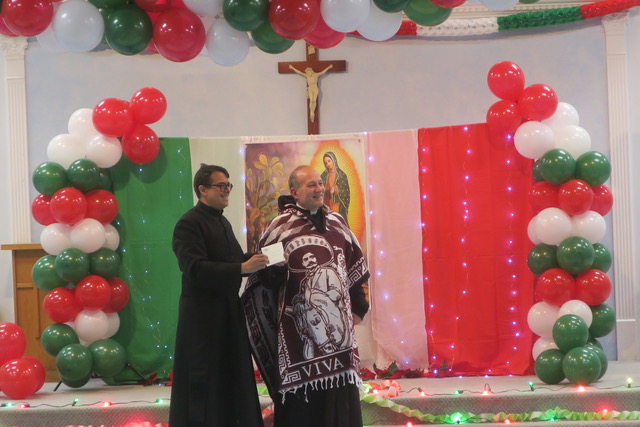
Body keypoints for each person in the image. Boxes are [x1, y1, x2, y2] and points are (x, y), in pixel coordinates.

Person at [242, 165, 370, 427]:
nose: (319, 188)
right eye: (311, 185)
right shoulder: (278, 228)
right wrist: (276, 270)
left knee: (340, 397)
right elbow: (264, 280)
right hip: (297, 334)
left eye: (319, 184)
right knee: (303, 405)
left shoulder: (337, 223)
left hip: (340, 335)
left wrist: (359, 306)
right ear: (294, 192)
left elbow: (355, 269)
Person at [170, 164, 269, 427]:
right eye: (221, 185)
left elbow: (233, 259)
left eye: (228, 185)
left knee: (230, 375)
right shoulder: (188, 223)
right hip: (202, 316)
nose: (227, 190)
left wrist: (260, 260)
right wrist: (241, 268)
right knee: (205, 377)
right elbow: (193, 268)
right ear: (202, 190)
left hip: (227, 310)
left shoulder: (221, 220)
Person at [320, 151, 351, 224]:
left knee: (336, 223)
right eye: (325, 163)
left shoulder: (341, 175)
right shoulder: (324, 175)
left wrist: (337, 190)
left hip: (336, 204)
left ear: (334, 160)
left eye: (329, 161)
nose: (327, 164)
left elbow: (345, 193)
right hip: (326, 203)